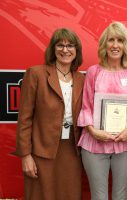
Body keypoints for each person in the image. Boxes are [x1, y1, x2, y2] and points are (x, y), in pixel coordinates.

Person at [14, 28, 85, 200]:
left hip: (72, 152)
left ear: (77, 51)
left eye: (70, 46)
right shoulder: (36, 74)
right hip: (41, 150)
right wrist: (25, 156)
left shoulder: (82, 79)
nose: (65, 50)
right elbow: (24, 119)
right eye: (60, 45)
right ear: (53, 49)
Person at [77, 21, 127, 200]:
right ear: (104, 44)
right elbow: (86, 107)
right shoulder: (93, 72)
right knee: (98, 196)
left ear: (126, 45)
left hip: (126, 142)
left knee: (121, 196)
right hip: (94, 143)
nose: (115, 45)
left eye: (120, 40)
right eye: (111, 40)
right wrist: (93, 131)